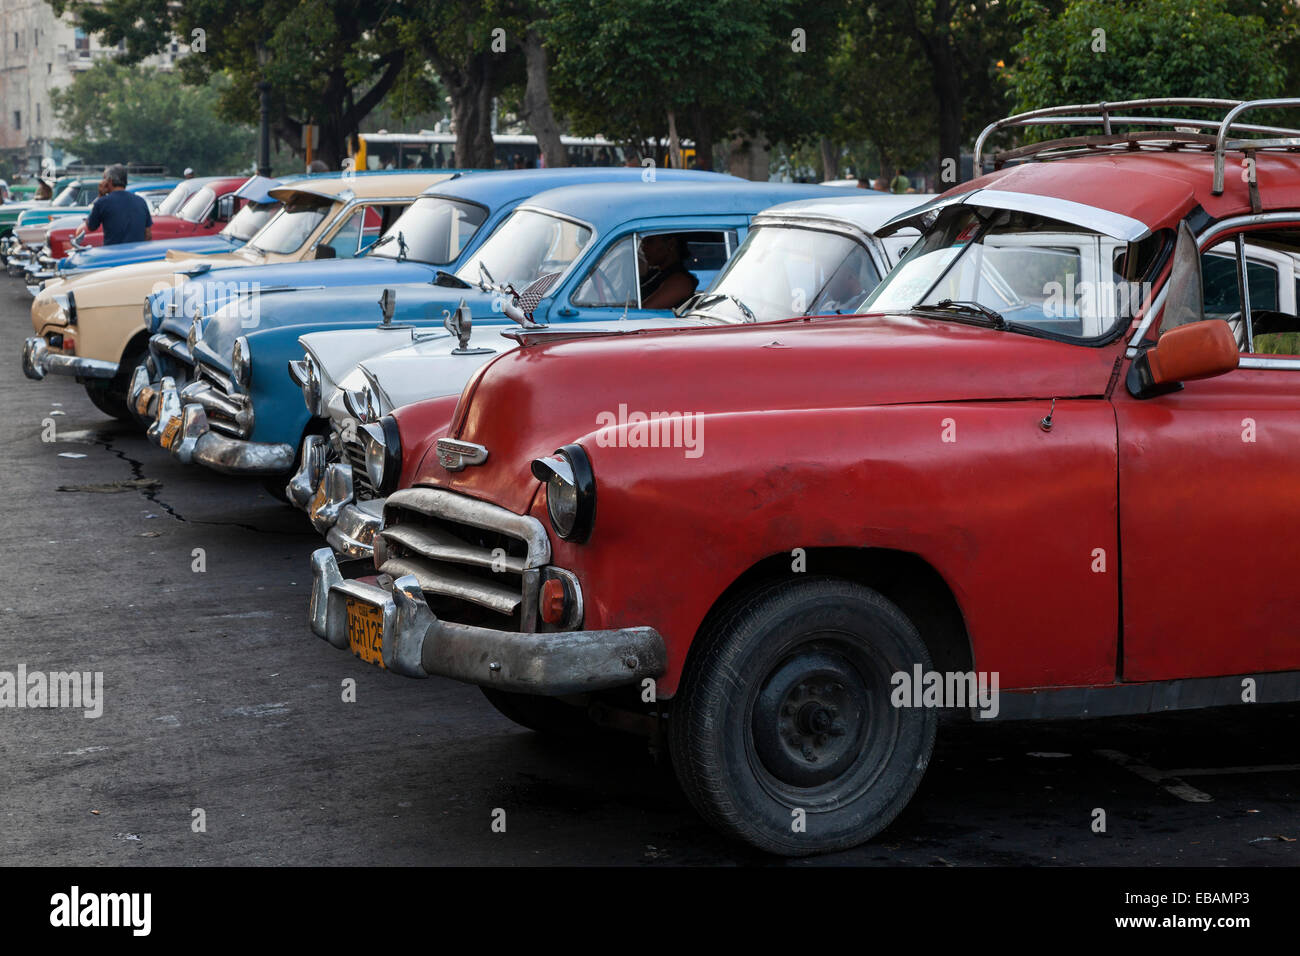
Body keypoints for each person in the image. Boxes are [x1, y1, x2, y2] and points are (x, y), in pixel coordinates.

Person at [75, 164, 152, 246]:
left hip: (113, 254)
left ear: (109, 181)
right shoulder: (141, 201)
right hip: (135, 255)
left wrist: (100, 196)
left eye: (104, 178)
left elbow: (91, 226)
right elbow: (148, 235)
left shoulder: (103, 202)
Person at [639, 234, 697, 309]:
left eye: (650, 242)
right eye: (643, 243)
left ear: (671, 244)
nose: (643, 248)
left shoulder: (679, 282)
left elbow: (642, 311)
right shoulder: (655, 273)